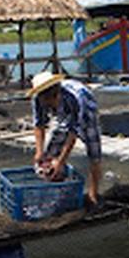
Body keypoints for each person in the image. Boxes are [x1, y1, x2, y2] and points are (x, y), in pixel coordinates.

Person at [27, 70, 103, 205]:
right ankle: (58, 190)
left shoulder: (74, 98)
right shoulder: (38, 99)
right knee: (48, 158)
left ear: (56, 95)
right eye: (45, 103)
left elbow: (72, 134)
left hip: (87, 111)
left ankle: (93, 194)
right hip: (62, 115)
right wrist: (39, 152)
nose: (47, 105)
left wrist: (61, 161)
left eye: (50, 102)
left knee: (94, 155)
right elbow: (39, 125)